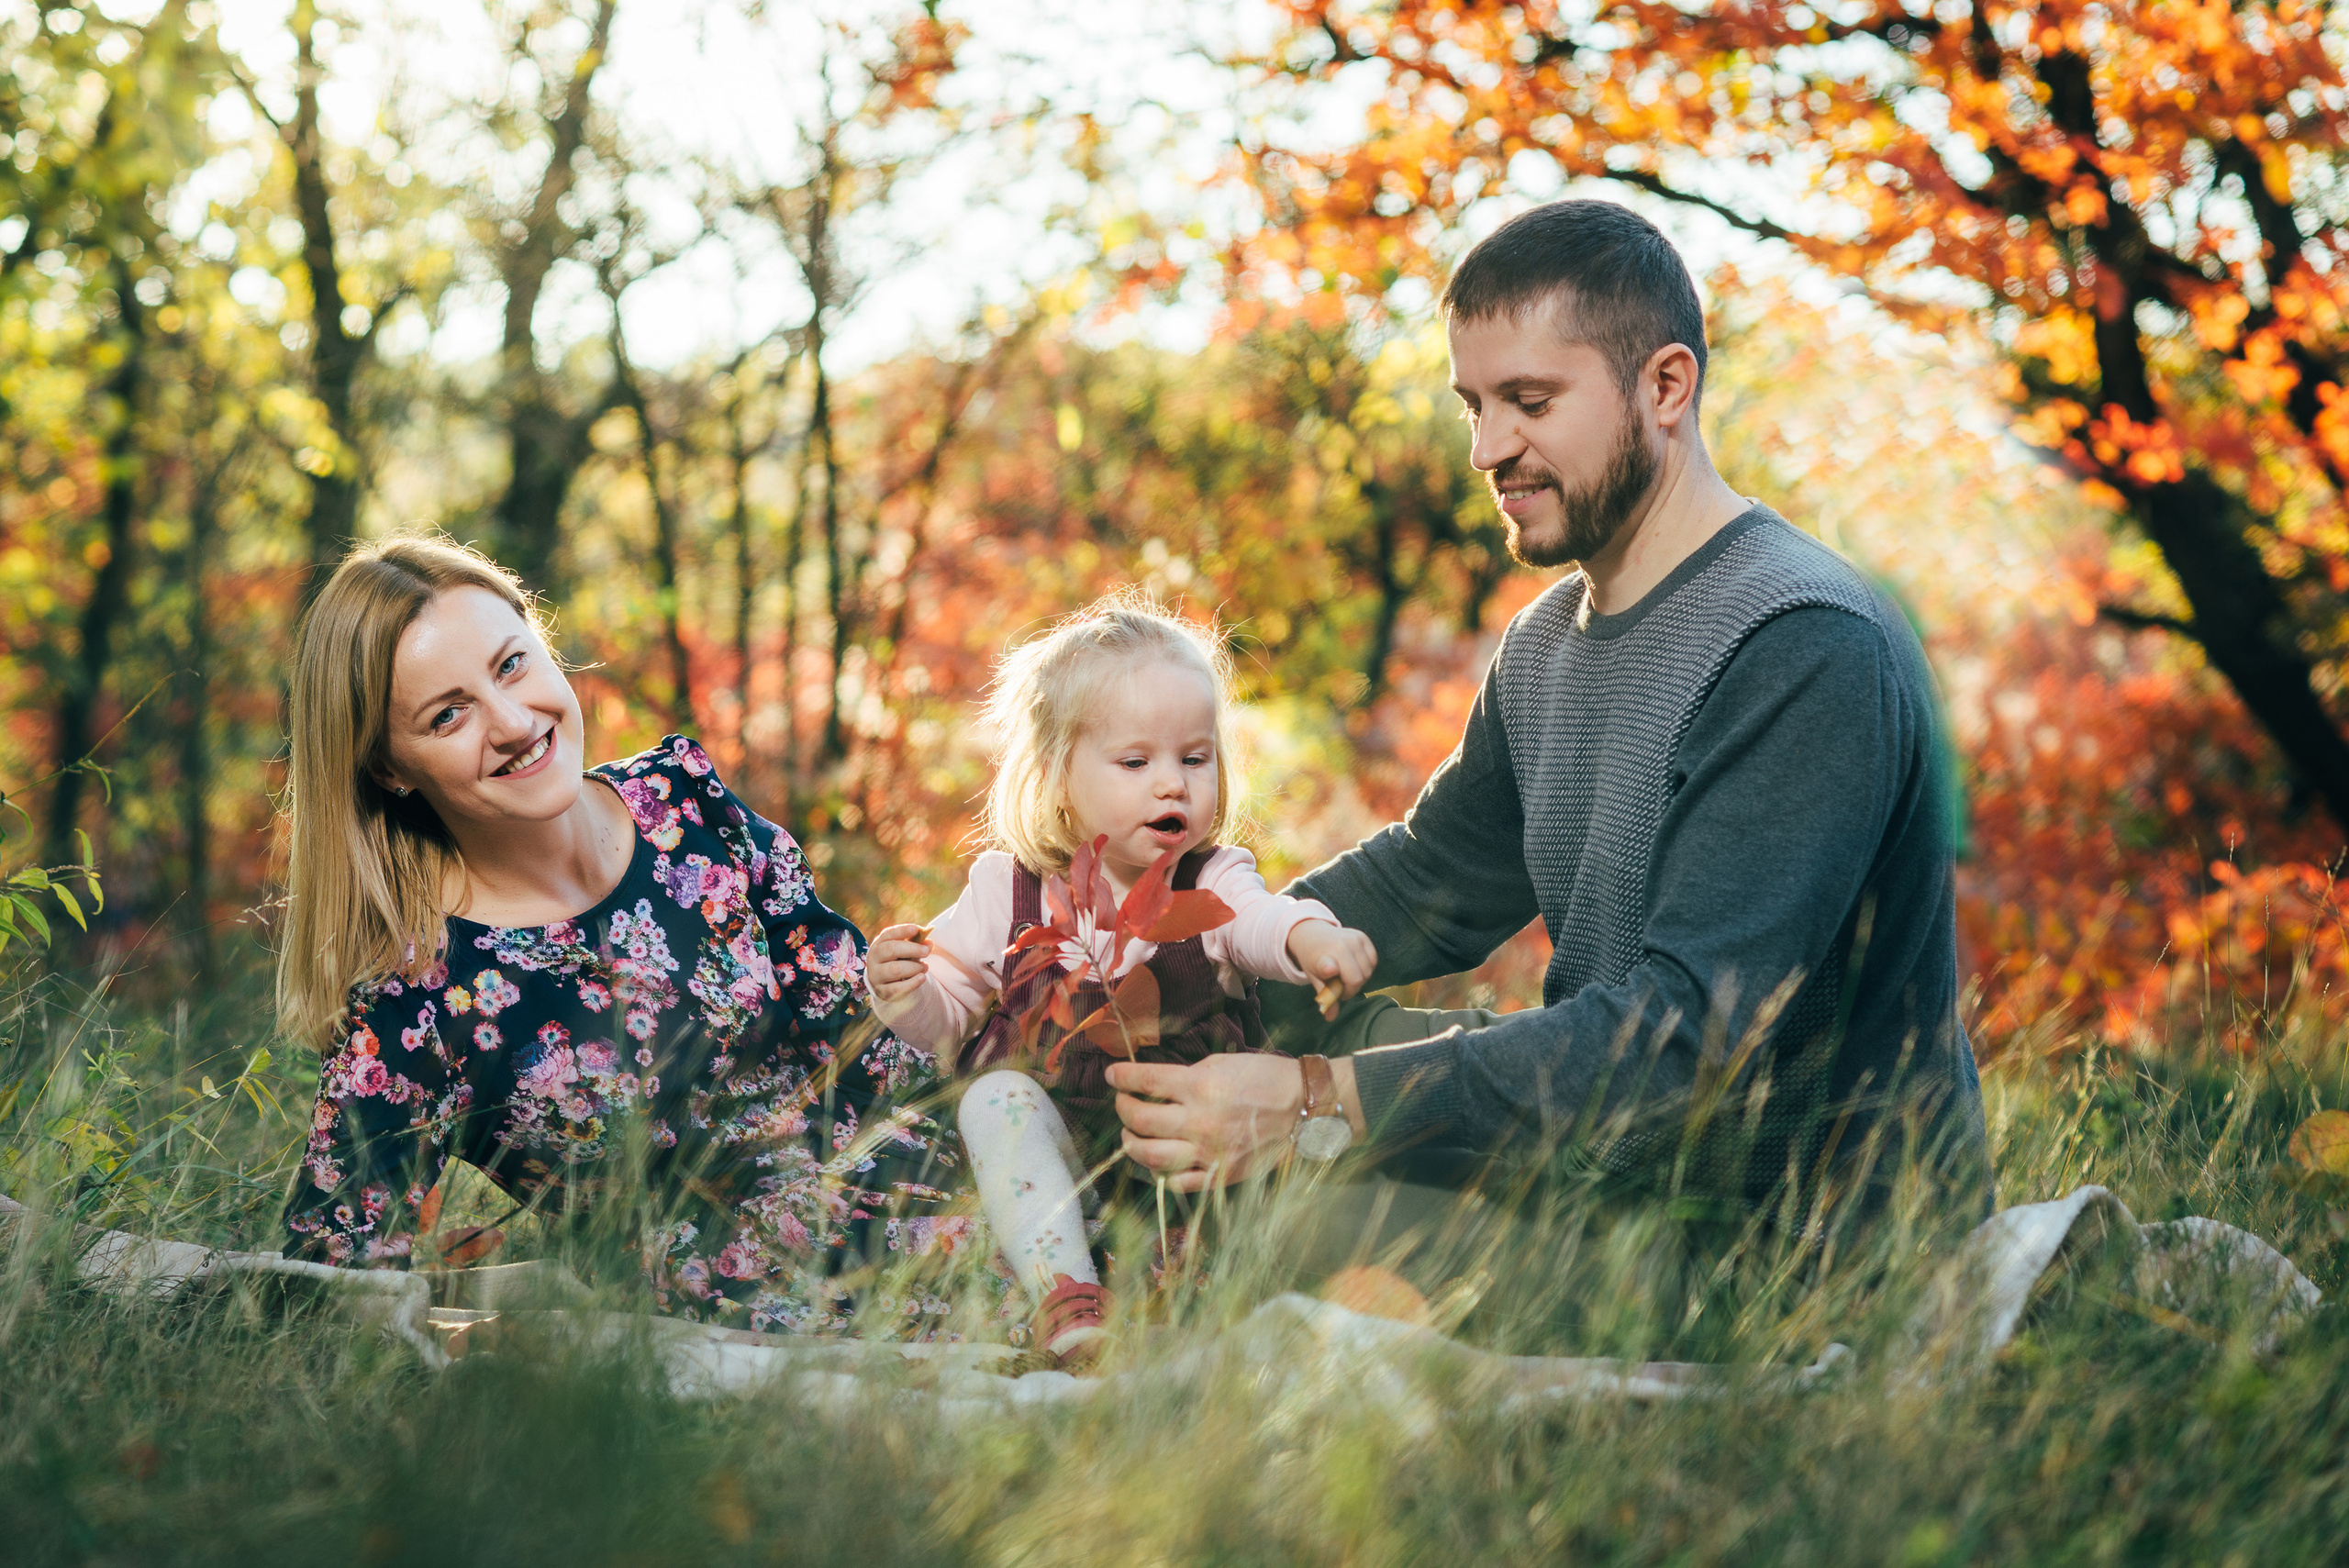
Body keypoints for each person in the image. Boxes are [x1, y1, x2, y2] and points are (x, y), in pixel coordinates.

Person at [1107, 201, 1993, 1242]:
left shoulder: (1802, 642)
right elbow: (1424, 882)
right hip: (1606, 1169)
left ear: (1666, 387)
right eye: (1472, 406)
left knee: (1280, 1213)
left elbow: (1687, 1043)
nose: (1487, 449)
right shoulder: (1546, 641)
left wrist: (1314, 1101)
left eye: (1529, 401)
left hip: (1777, 1242)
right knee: (1212, 1044)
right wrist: (1155, 968)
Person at [276, 536, 954, 1335]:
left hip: (939, 1187)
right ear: (390, 768)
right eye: (448, 714)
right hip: (769, 1317)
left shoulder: (684, 801)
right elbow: (326, 1273)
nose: (512, 723)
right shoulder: (418, 1000)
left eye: (511, 665)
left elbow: (863, 1031)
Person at [863, 595, 1379, 1363]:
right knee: (992, 1098)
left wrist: (1311, 937)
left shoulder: (1211, 878)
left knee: (1253, 1205)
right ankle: (1067, 1295)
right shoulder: (1007, 890)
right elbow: (946, 1022)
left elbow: (1259, 920)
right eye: (1136, 762)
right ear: (1057, 778)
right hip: (1058, 1153)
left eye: (1194, 758)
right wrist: (904, 992)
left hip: (1185, 1153)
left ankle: (1194, 1286)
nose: (1171, 784)